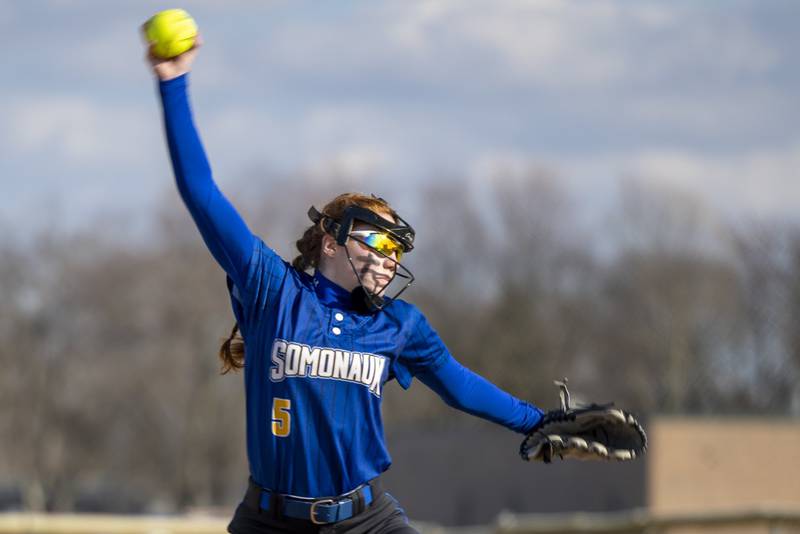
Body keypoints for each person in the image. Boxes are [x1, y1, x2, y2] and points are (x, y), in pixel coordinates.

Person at [145, 36, 544, 534]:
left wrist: (538, 422)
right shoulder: (274, 291)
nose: (388, 260)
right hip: (270, 522)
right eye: (378, 242)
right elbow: (200, 193)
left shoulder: (399, 324)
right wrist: (173, 82)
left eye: (396, 252)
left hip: (366, 521)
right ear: (331, 243)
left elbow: (459, 386)